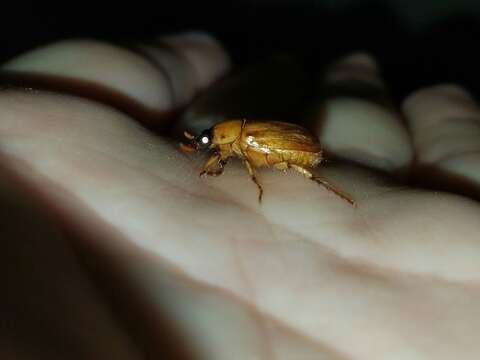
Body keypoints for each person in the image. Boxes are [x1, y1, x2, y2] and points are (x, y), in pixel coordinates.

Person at [1, 32, 479, 359]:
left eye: (210, 143)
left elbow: (250, 156)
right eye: (209, 145)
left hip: (294, 150)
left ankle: (337, 191)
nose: (208, 148)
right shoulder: (231, 137)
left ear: (226, 134)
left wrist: (250, 177)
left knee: (300, 171)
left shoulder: (245, 142)